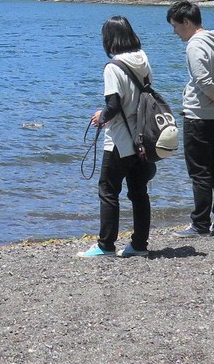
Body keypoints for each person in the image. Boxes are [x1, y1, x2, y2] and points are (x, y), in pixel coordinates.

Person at [78, 15, 152, 258]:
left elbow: (113, 104)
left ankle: (106, 245)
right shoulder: (143, 59)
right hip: (142, 137)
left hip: (120, 139)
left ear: (109, 39)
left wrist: (100, 118)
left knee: (108, 191)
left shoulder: (113, 67)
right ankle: (139, 244)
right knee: (139, 193)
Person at [166, 0, 214, 237]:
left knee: (199, 171)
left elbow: (203, 81)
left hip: (200, 115)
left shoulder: (195, 45)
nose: (175, 32)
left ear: (186, 22)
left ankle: (200, 224)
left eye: (175, 26)